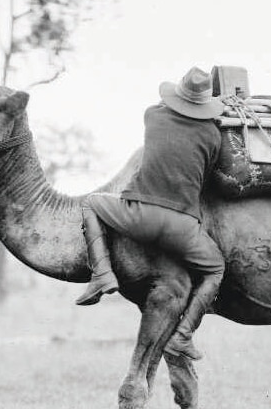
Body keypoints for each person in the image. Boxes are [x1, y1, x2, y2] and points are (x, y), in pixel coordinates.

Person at [75, 66, 226, 361]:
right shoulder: (212, 135)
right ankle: (183, 336)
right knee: (215, 270)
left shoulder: (154, 116)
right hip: (182, 226)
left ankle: (103, 275)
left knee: (91, 203)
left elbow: (163, 104)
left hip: (138, 215)